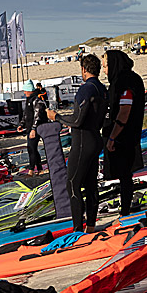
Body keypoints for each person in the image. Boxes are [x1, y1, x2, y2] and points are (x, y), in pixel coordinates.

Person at [46, 54, 108, 233]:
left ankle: (77, 230)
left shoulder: (86, 89)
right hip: (96, 140)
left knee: (72, 184)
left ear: (83, 69)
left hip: (83, 142)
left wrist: (56, 117)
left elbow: (77, 120)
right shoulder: (102, 89)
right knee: (90, 185)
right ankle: (90, 226)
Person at [102, 50, 145, 216]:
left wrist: (112, 136)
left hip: (123, 136)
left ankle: (125, 210)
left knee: (125, 175)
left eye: (106, 66)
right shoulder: (131, 78)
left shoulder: (124, 81)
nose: (104, 71)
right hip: (130, 134)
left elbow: (124, 111)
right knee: (125, 175)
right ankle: (125, 208)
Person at [18, 79, 48, 175]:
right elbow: (26, 114)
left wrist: (33, 129)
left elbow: (37, 115)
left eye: (26, 90)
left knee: (31, 148)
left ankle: (31, 170)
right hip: (29, 127)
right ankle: (39, 169)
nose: (24, 92)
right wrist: (21, 124)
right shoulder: (28, 100)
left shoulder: (36, 100)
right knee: (32, 148)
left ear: (30, 90)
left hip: (36, 128)